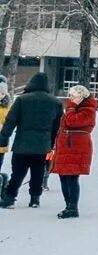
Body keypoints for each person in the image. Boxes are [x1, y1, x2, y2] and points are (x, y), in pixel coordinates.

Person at [0, 72, 63, 210]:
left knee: (17, 173)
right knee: (38, 172)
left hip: (22, 144)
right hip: (43, 145)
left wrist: (3, 139)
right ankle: (35, 199)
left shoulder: (22, 100)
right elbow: (57, 127)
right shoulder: (56, 103)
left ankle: (10, 198)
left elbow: (10, 121)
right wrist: (52, 144)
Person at [49, 84, 97, 219]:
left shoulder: (88, 110)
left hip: (76, 147)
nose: (69, 99)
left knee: (71, 177)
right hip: (67, 146)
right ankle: (68, 205)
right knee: (64, 176)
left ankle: (72, 207)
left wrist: (70, 107)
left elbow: (72, 121)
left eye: (72, 96)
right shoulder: (77, 108)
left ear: (80, 97)